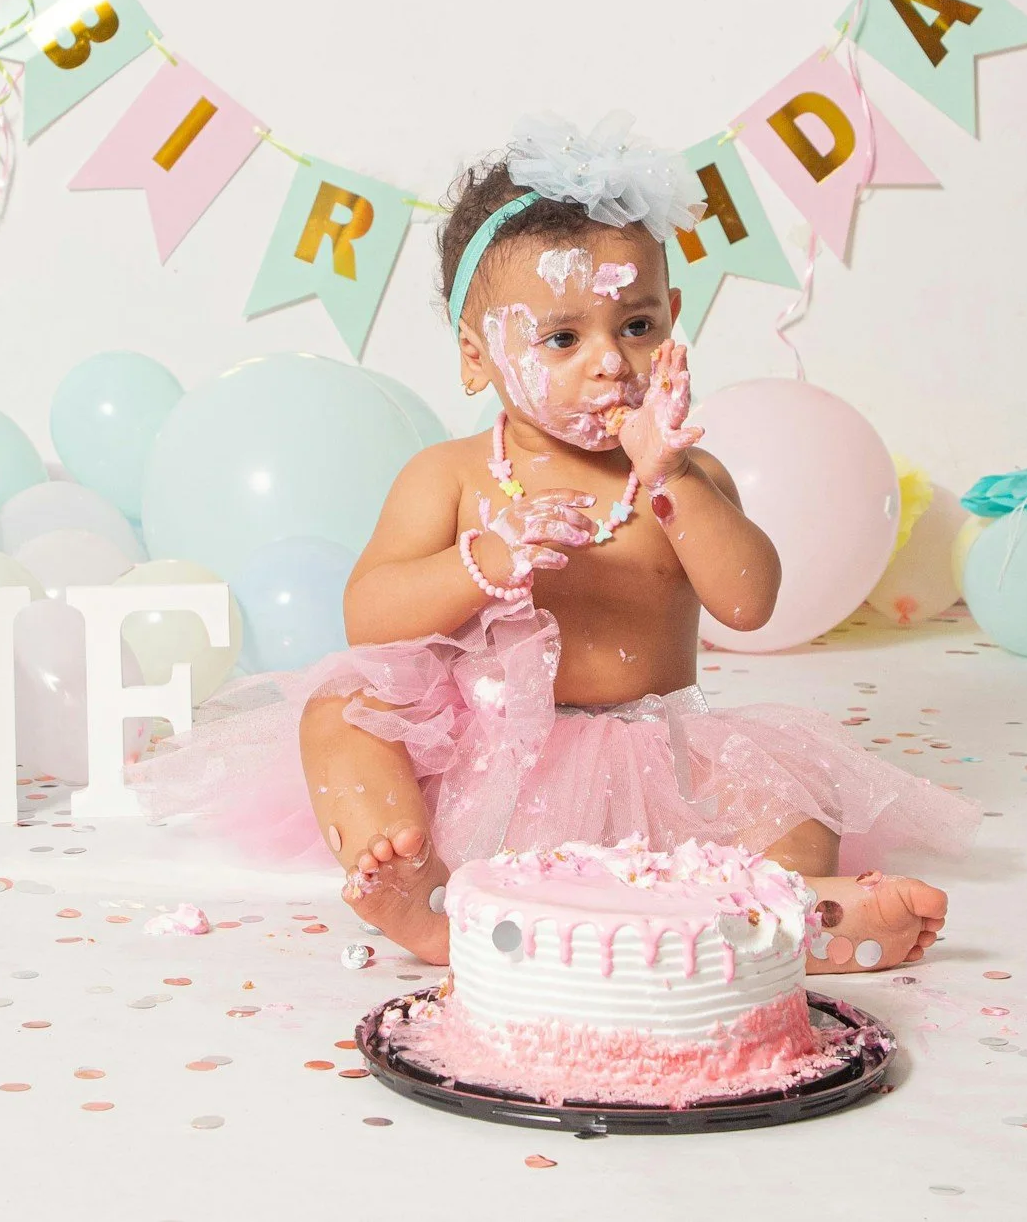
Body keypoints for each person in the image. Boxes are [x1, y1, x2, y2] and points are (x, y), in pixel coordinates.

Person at [142, 114, 977, 967]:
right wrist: (483, 562)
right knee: (340, 712)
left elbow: (748, 602)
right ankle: (422, 889)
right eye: (563, 338)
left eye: (636, 326)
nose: (609, 361)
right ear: (477, 357)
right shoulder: (451, 476)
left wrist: (671, 480)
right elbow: (370, 614)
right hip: (486, 761)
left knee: (790, 796)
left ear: (673, 317)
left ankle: (782, 912)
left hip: (658, 761)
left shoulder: (685, 476)